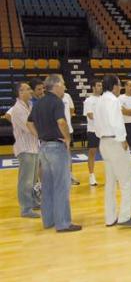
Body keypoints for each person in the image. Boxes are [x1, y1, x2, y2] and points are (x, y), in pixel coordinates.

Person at [27, 74, 82, 232]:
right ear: (56, 85)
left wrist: (39, 135)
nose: (65, 87)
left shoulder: (39, 102)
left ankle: (48, 221)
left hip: (43, 147)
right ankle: (63, 223)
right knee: (61, 186)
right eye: (63, 84)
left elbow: (29, 122)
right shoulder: (57, 102)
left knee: (48, 186)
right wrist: (67, 138)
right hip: (56, 147)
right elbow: (61, 122)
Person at [94, 74, 131, 228]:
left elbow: (96, 124)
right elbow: (116, 122)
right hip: (115, 142)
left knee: (110, 183)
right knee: (127, 181)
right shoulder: (113, 101)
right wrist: (123, 140)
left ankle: (110, 218)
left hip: (103, 142)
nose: (120, 87)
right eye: (120, 84)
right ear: (114, 86)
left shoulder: (99, 101)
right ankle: (125, 217)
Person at [10, 82, 40, 218]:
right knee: (26, 180)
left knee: (33, 179)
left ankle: (33, 202)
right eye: (27, 89)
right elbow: (29, 127)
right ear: (20, 93)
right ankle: (26, 208)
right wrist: (44, 134)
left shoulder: (31, 105)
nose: (30, 91)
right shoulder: (18, 109)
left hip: (33, 147)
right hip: (25, 148)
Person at [83, 79, 102, 186]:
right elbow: (90, 115)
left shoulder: (105, 99)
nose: (101, 87)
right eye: (98, 85)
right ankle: (91, 176)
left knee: (108, 153)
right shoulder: (88, 100)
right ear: (93, 87)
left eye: (101, 85)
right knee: (92, 153)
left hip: (104, 130)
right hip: (93, 130)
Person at [62, 91, 80, 185]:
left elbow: (72, 109)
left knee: (68, 153)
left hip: (68, 129)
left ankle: (69, 175)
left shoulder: (67, 96)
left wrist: (67, 119)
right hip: (57, 131)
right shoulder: (51, 97)